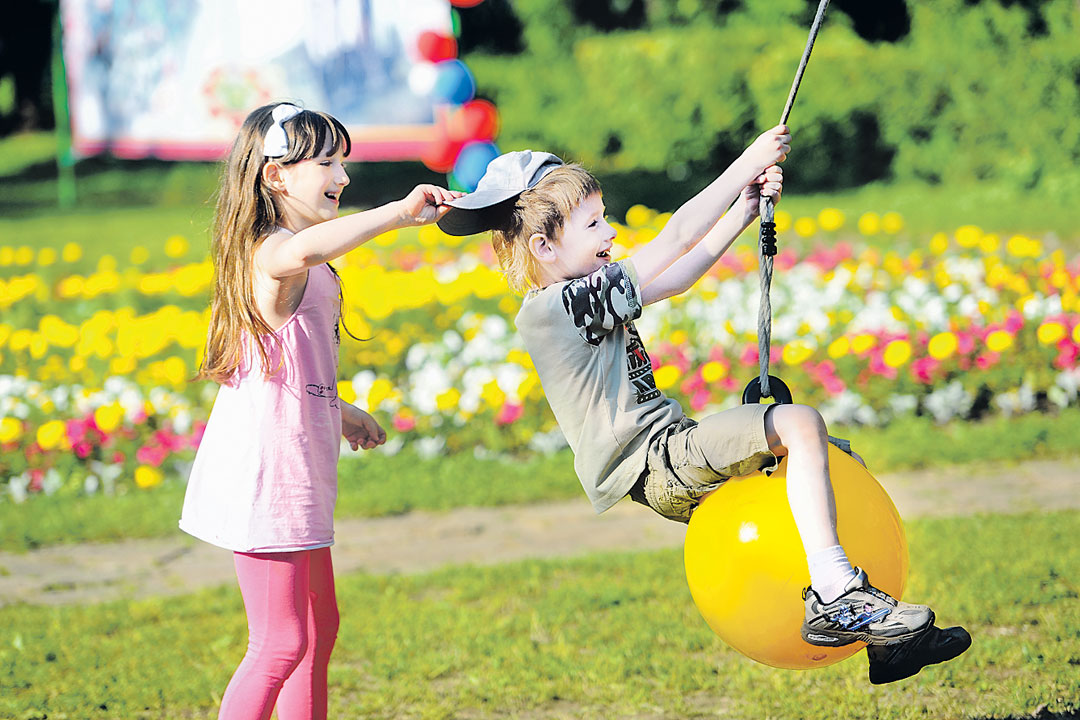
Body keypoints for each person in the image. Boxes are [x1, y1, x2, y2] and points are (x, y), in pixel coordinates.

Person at [435, 127, 970, 684]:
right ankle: (836, 594)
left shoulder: (582, 292)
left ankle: (886, 644)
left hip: (667, 451)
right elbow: (676, 238)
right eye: (593, 223)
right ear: (544, 246)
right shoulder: (558, 306)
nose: (609, 232)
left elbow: (680, 274)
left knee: (830, 454)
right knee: (799, 423)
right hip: (653, 461)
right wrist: (746, 163)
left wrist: (744, 211)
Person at [179, 101, 460, 719]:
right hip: (267, 476)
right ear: (275, 176)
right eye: (327, 162)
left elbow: (286, 370)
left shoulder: (297, 253)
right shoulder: (272, 252)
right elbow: (306, 252)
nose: (344, 175)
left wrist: (340, 410)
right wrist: (397, 214)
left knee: (317, 630)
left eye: (344, 161)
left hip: (294, 469)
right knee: (281, 642)